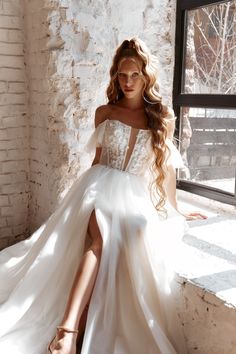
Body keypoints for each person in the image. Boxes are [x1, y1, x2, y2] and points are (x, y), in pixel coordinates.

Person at [0, 37, 206, 354]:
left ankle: (77, 331)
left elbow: (166, 170)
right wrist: (80, 198)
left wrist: (177, 210)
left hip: (133, 195)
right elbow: (97, 161)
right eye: (122, 75)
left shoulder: (163, 117)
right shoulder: (105, 112)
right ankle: (66, 332)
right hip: (97, 186)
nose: (127, 82)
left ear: (146, 74)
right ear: (115, 76)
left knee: (120, 237)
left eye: (134, 74)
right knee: (100, 239)